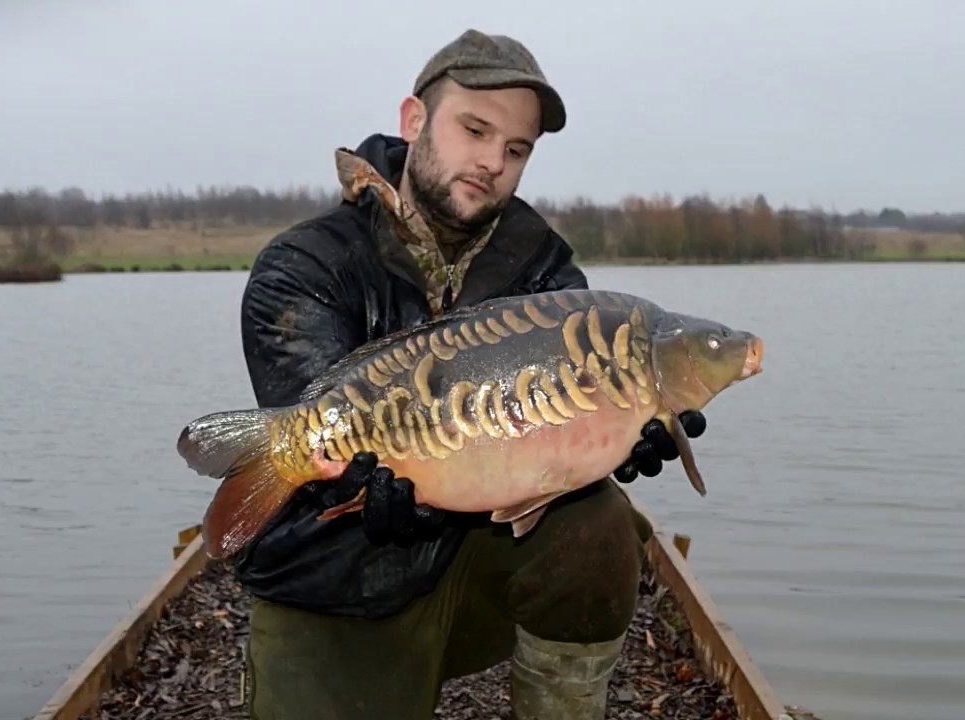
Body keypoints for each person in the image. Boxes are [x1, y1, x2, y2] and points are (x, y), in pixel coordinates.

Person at [235, 28, 707, 720]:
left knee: (600, 525)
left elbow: (562, 439)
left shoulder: (547, 274)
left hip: (480, 562)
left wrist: (619, 435)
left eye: (516, 149)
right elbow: (317, 427)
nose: (493, 162)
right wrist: (361, 482)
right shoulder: (304, 266)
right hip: (335, 578)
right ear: (414, 120)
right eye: (475, 130)